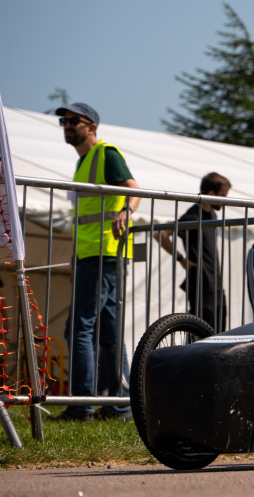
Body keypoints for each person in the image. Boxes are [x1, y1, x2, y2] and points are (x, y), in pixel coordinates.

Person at [51, 102, 139, 422]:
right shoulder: (83, 163)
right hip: (95, 256)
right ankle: (120, 403)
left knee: (79, 328)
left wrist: (126, 212)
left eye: (74, 121)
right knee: (109, 332)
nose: (67, 124)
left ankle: (82, 404)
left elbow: (133, 189)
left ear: (92, 127)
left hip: (104, 254)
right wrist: (76, 262)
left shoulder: (106, 154)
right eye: (64, 120)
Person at [156, 172, 231, 332]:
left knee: (219, 333)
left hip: (215, 284)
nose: (224, 201)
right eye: (223, 196)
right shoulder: (193, 215)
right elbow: (160, 235)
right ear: (211, 194)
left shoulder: (211, 214)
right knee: (202, 334)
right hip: (201, 284)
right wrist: (181, 259)